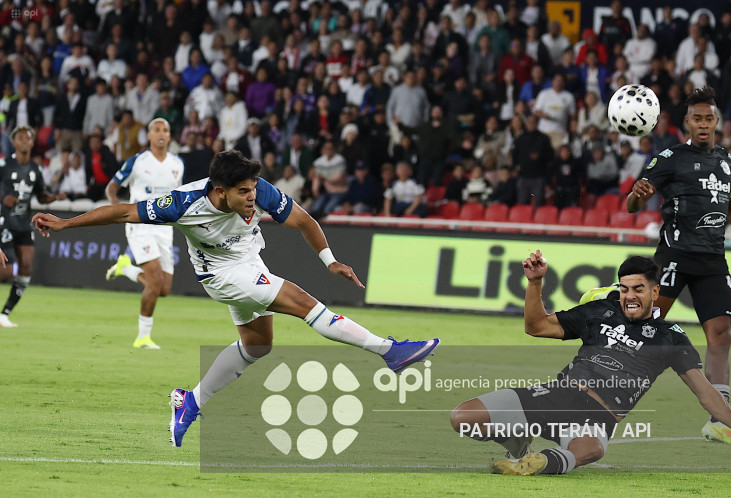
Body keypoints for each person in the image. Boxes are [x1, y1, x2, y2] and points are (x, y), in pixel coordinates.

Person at [32, 150, 440, 448]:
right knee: (303, 303)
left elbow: (303, 220)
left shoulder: (257, 190)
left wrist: (330, 260)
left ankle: (190, 401)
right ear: (219, 190)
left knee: (259, 346)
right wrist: (67, 223)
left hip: (249, 262)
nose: (252, 198)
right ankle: (389, 350)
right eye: (243, 192)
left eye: (253, 189)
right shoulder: (182, 204)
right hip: (221, 276)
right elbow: (122, 212)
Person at [450, 252, 731, 475]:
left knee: (590, 449)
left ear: (655, 291)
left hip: (597, 416)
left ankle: (536, 464)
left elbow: (704, 391)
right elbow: (537, 326)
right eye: (624, 288)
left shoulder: (670, 338)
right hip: (556, 395)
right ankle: (516, 441)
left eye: (638, 289)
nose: (629, 296)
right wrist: (535, 283)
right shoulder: (599, 311)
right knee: (463, 417)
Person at [625, 87, 731, 444]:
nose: (704, 124)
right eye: (697, 118)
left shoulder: (727, 162)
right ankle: (608, 390)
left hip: (712, 258)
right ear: (687, 122)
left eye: (709, 118)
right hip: (674, 256)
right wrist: (638, 195)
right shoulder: (669, 158)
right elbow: (634, 202)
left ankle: (719, 419)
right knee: (644, 329)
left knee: (721, 332)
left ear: (717, 122)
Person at [104, 118, 186, 349]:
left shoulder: (177, 164)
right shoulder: (137, 161)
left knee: (165, 289)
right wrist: (115, 207)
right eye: (156, 130)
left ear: (170, 136)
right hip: (139, 225)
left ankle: (125, 268)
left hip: (164, 229)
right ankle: (143, 337)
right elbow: (112, 187)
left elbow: (177, 197)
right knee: (154, 281)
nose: (161, 133)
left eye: (166, 130)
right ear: (149, 136)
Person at [0, 126, 66, 328]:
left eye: (28, 138)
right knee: (6, 272)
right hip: (4, 221)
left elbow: (40, 195)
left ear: (32, 142)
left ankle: (4, 314)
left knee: (26, 265)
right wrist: (3, 198)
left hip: (23, 223)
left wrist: (53, 197)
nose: (25, 141)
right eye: (20, 138)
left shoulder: (35, 169)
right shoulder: (4, 165)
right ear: (14, 142)